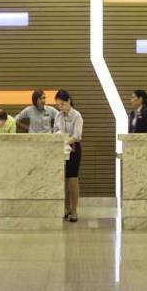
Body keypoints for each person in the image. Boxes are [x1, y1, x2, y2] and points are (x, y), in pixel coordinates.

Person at [53, 89, 83, 222]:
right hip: (61, 149)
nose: (60, 107)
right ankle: (66, 208)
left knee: (72, 179)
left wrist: (65, 141)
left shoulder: (76, 115)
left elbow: (77, 136)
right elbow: (55, 130)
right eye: (58, 105)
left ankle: (74, 210)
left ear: (69, 101)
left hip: (74, 149)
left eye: (62, 104)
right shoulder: (58, 116)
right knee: (62, 179)